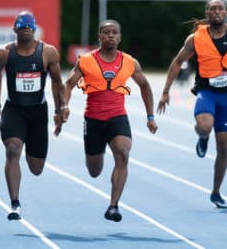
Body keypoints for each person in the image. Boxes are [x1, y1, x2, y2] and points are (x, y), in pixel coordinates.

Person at [157, 0, 227, 209]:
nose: (216, 11)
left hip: (226, 98)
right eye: (212, 9)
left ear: (226, 12)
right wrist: (165, 91)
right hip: (206, 93)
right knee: (204, 125)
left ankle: (216, 192)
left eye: (220, 8)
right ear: (207, 12)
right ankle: (202, 137)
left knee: (223, 146)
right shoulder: (195, 38)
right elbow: (177, 62)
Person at [60, 19, 158, 222]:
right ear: (99, 37)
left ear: (120, 37)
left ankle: (113, 206)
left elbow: (145, 86)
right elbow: (68, 84)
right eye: (106, 32)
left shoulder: (130, 62)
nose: (110, 35)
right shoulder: (86, 60)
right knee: (94, 171)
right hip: (93, 120)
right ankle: (97, 157)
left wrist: (150, 117)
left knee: (122, 153)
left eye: (114, 32)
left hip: (117, 117)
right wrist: (64, 106)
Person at [0, 11, 65, 220]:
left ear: (34, 30)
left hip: (38, 113)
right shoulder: (3, 53)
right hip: (13, 110)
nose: (25, 30)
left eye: (29, 27)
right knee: (12, 149)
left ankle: (28, 149)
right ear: (14, 30)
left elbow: (57, 82)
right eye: (21, 27)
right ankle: (15, 203)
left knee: (36, 168)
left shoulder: (48, 52)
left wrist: (60, 110)